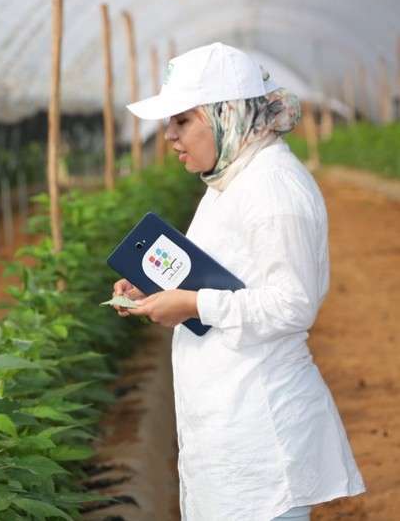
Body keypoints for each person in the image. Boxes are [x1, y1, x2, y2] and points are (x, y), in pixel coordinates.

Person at [111, 42, 365, 520]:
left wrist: (192, 306)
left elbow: (292, 304)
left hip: (262, 436)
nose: (168, 135)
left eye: (181, 120)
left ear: (225, 114)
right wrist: (155, 288)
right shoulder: (231, 179)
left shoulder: (271, 186)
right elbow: (229, 277)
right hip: (232, 427)